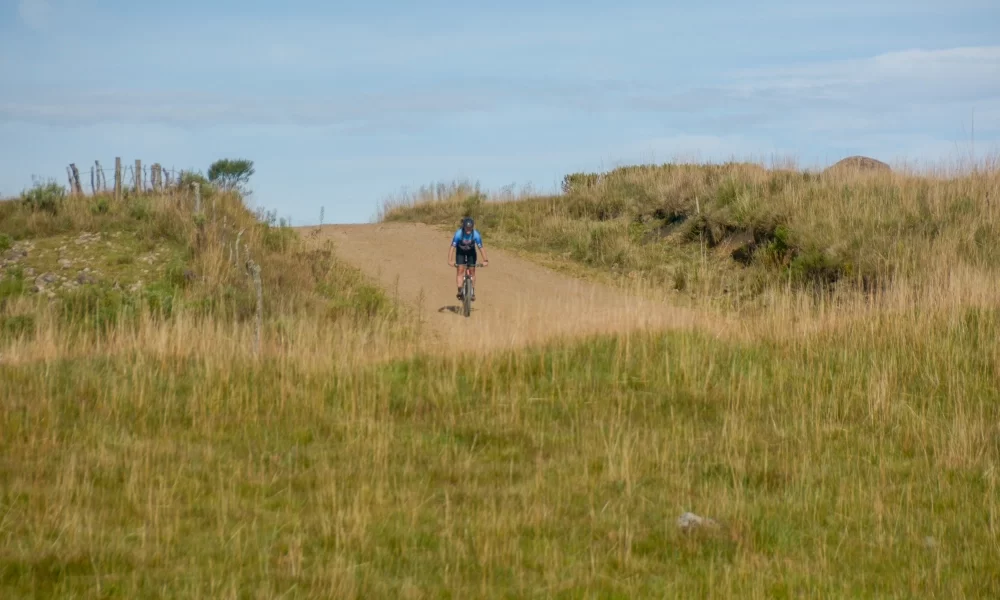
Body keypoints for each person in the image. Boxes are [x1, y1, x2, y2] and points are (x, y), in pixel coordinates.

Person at [448, 216, 488, 300]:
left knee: (472, 270)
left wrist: (485, 260)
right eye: (467, 228)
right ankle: (459, 290)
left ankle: (472, 292)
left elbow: (481, 248)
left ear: (472, 227)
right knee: (460, 270)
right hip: (460, 252)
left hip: (471, 252)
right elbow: (452, 247)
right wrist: (450, 260)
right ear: (464, 227)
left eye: (470, 228)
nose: (468, 230)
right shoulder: (458, 234)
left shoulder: (476, 234)